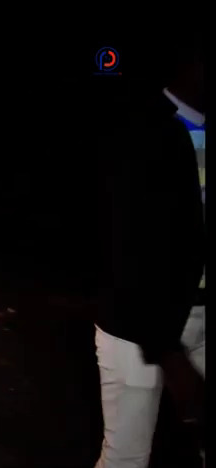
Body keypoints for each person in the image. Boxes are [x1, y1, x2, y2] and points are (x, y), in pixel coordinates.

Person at [93, 42, 205, 468]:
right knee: (127, 458)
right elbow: (125, 246)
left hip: (198, 314)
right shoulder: (141, 127)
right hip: (138, 327)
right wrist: (167, 351)